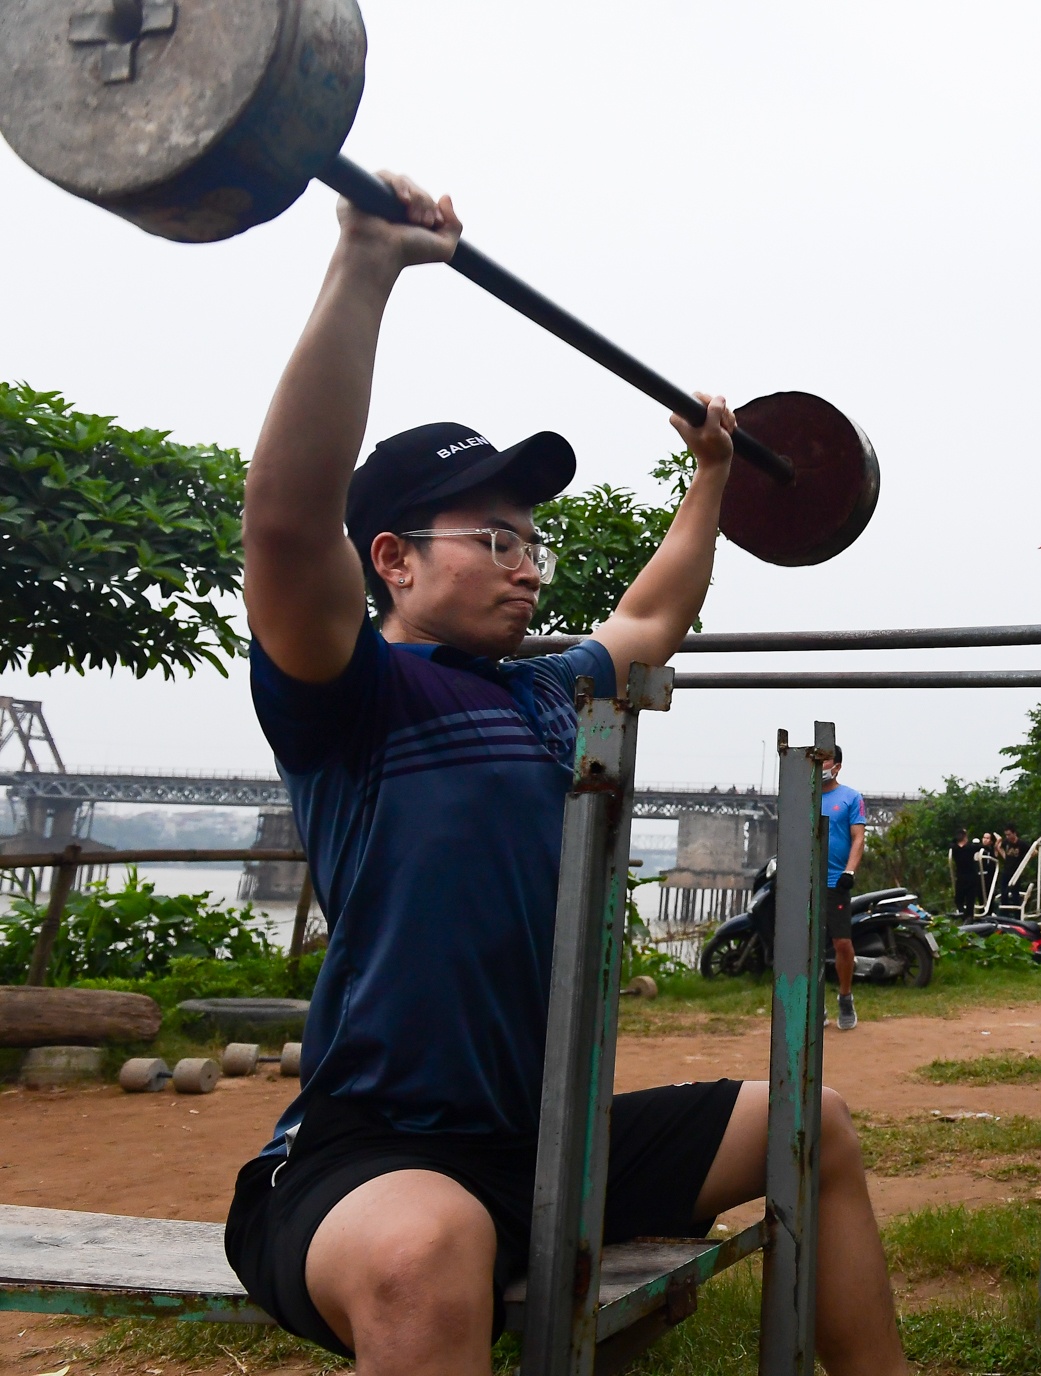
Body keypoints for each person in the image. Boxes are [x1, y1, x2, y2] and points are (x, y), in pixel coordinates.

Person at [223, 172, 907, 1376]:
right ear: (390, 558)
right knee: (424, 1250)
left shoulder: (545, 692)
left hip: (548, 1141)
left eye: (530, 539)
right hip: (377, 1151)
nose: (528, 566)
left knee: (816, 1124)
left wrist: (711, 473)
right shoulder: (350, 698)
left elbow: (653, 614)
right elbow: (283, 520)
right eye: (494, 539)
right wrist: (366, 265)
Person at [821, 745, 868, 1030]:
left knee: (842, 943)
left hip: (835, 882)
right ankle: (815, 1003)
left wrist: (850, 871)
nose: (821, 764)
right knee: (805, 946)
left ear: (837, 765)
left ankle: (845, 996)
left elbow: (858, 838)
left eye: (826, 759)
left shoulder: (851, 797)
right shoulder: (805, 797)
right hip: (807, 882)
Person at [950, 828, 981, 915]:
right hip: (970, 877)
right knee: (969, 900)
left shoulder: (954, 848)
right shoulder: (970, 848)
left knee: (959, 899)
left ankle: (963, 914)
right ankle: (967, 916)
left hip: (961, 877)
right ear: (965, 837)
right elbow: (981, 847)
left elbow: (951, 843)